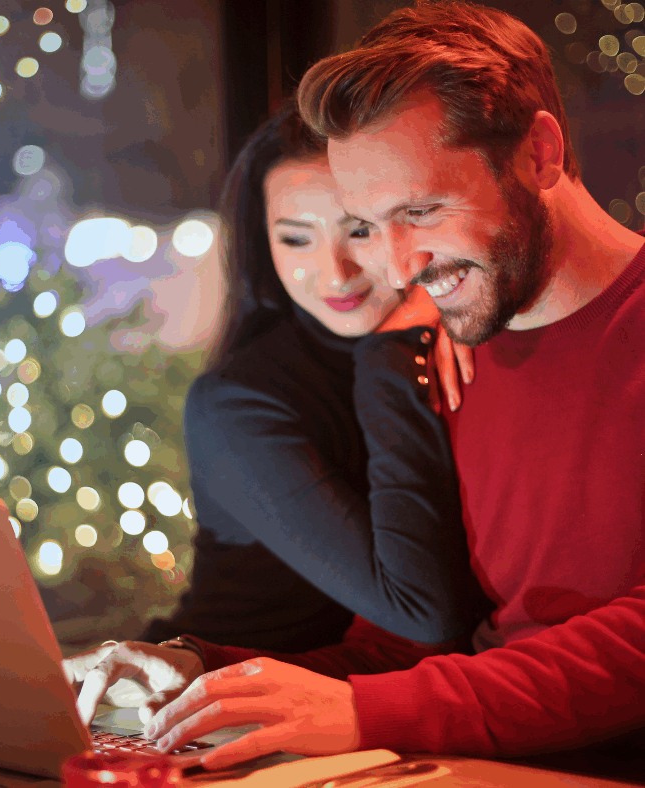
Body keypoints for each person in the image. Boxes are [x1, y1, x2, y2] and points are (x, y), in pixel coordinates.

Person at [75, 0, 645, 768]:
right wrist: (204, 676)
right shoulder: (451, 341)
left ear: (539, 154)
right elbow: (405, 654)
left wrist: (366, 708)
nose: (397, 266)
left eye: (421, 210)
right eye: (372, 224)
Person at [64, 101, 490, 722]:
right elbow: (423, 612)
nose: (334, 272)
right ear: (264, 245)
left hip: (340, 709)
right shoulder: (240, 402)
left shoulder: (452, 343)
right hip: (194, 701)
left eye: (359, 230)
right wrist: (390, 353)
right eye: (296, 238)